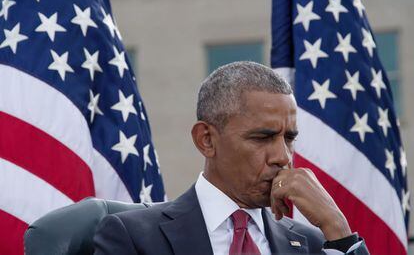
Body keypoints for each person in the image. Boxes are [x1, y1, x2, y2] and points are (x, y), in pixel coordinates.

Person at [93, 61, 369, 255]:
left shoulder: (315, 244)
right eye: (262, 138)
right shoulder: (135, 236)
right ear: (207, 140)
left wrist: (338, 228)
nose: (282, 157)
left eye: (289, 139)